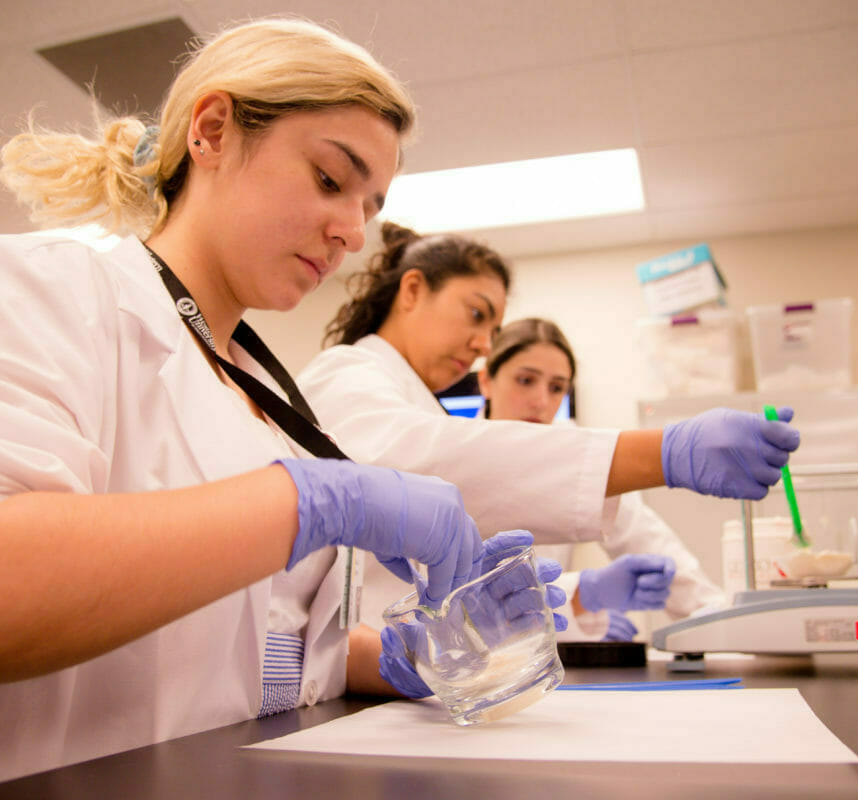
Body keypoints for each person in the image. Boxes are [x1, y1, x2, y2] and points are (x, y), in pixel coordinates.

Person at [0, 18, 554, 781]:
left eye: (368, 206)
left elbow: (247, 640)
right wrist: (307, 504)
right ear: (212, 131)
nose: (353, 233)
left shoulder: (271, 399)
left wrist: (400, 658)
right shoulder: (51, 291)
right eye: (330, 179)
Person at [297, 222, 800, 669]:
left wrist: (728, 625)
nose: (483, 344)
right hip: (358, 669)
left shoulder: (421, 407)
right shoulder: (347, 372)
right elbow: (414, 468)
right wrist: (661, 453)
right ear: (412, 290)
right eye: (476, 313)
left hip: (420, 675)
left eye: (493, 329)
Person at [477, 316, 729, 642]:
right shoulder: (452, 457)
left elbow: (647, 539)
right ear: (486, 381)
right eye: (525, 380)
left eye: (556, 388)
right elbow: (460, 601)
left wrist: (720, 621)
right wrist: (582, 598)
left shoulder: (571, 454)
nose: (541, 402)